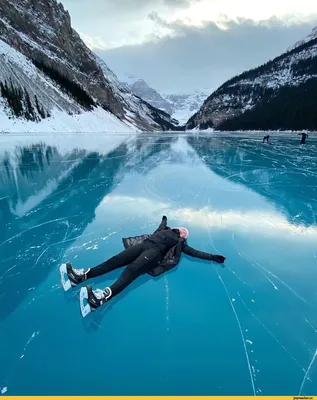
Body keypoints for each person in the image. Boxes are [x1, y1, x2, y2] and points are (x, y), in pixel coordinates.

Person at [64, 216, 226, 310]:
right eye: (183, 229)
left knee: (130, 271)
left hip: (153, 254)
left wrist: (213, 256)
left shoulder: (180, 242)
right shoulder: (165, 230)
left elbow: (195, 252)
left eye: (185, 232)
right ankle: (81, 276)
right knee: (114, 261)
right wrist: (164, 220)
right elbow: (160, 226)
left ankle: (100, 298)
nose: (183, 231)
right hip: (143, 246)